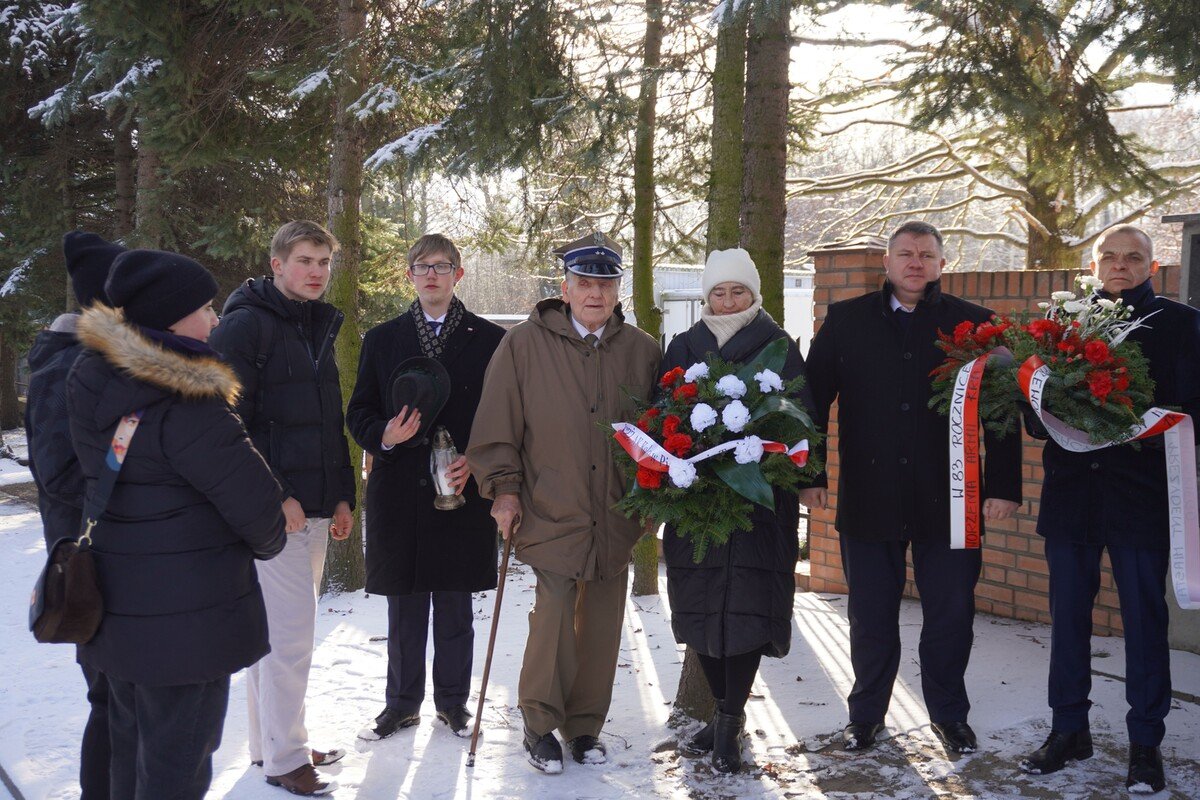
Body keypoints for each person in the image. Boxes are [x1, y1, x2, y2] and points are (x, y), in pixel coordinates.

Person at [66, 248, 287, 799]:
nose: (215, 320)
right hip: (187, 622)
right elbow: (261, 513)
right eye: (206, 307)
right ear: (169, 318)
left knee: (128, 753)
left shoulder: (92, 375)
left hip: (117, 610)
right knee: (177, 769)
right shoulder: (188, 401)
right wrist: (270, 533)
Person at [800, 220, 1022, 755]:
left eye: (926, 254)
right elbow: (808, 400)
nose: (915, 262)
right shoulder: (846, 320)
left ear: (942, 264)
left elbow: (1001, 411)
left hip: (950, 500)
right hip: (869, 497)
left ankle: (949, 715)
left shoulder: (977, 326)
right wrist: (811, 474)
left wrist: (1004, 486)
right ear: (887, 262)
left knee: (950, 614)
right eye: (905, 253)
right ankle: (866, 715)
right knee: (870, 615)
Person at [467, 232, 660, 774]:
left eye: (606, 283)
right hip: (548, 506)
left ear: (618, 290)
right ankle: (538, 724)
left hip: (615, 511)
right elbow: (497, 423)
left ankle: (584, 728)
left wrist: (650, 497)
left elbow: (659, 434)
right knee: (552, 616)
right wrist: (503, 489)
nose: (596, 293)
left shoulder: (643, 350)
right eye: (585, 283)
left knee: (602, 622)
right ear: (565, 288)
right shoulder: (523, 344)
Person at [1018, 224, 1200, 794]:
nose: (1120, 265)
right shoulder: (1061, 327)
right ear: (1094, 264)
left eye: (1133, 257)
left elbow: (1192, 413)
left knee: (1145, 623)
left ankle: (1145, 743)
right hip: (1071, 497)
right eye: (1109, 257)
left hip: (1141, 500)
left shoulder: (1181, 326)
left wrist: (1126, 424)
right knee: (1067, 618)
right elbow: (1032, 415)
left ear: (1152, 264)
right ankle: (1069, 729)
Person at [208, 220, 353, 796]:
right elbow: (225, 421)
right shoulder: (246, 326)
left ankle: (272, 741)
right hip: (273, 511)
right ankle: (286, 759)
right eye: (305, 261)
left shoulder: (315, 325)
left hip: (314, 505)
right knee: (290, 637)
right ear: (276, 264)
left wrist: (342, 493)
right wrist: (277, 494)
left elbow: (324, 421)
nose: (316, 271)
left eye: (323, 261)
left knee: (274, 635)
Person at [345, 233, 505, 741]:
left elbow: (502, 417)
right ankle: (401, 704)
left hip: (460, 488)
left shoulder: (489, 340)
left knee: (456, 605)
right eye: (422, 266)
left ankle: (454, 704)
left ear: (459, 274)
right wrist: (383, 436)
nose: (431, 274)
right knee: (405, 606)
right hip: (400, 490)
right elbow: (359, 412)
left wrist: (476, 462)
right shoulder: (382, 339)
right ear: (409, 275)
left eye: (442, 266)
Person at [660, 248, 812, 774]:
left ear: (754, 294)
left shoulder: (778, 346)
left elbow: (801, 417)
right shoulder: (684, 345)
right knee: (701, 605)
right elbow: (664, 414)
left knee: (747, 605)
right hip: (697, 502)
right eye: (718, 292)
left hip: (758, 501)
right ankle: (724, 717)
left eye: (737, 291)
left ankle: (727, 722)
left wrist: (807, 479)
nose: (727, 300)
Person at [24, 231, 124, 799]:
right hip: (88, 570)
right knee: (109, 701)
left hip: (109, 564)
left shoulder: (93, 362)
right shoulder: (65, 370)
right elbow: (60, 477)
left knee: (120, 701)